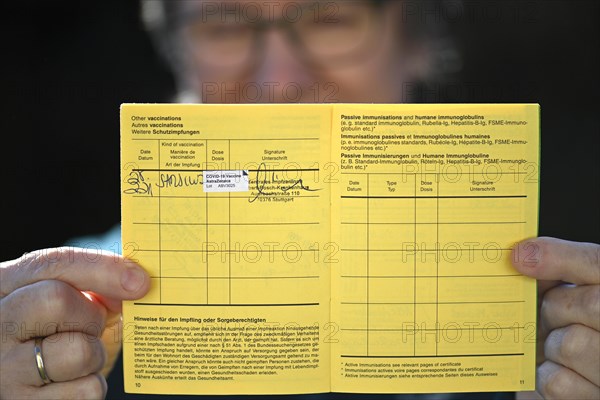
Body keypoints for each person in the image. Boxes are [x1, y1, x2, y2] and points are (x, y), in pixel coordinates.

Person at [1, 1, 598, 399]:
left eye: (330, 18)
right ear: (176, 50)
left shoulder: (558, 329)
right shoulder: (48, 324)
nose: (280, 81)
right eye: (226, 24)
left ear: (414, 39)